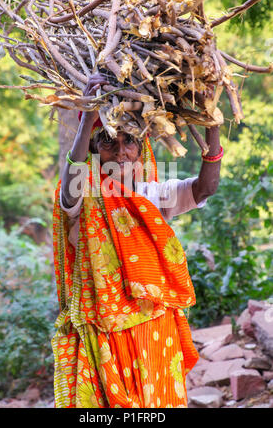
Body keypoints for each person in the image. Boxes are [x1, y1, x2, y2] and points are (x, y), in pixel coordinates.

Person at [52, 73, 223, 408]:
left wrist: (212, 123)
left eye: (129, 142)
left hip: (154, 325)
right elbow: (70, 186)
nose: (121, 152)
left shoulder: (151, 195)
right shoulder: (82, 191)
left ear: (142, 147)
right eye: (108, 142)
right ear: (93, 149)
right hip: (104, 329)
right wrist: (88, 115)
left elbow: (204, 188)